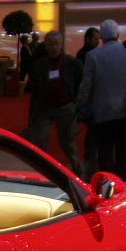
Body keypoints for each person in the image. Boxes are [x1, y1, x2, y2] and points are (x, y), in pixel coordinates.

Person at [76, 19, 126, 180]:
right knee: (124, 148)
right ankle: (124, 180)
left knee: (105, 148)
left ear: (101, 36)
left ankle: (108, 180)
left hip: (102, 110)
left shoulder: (93, 55)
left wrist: (80, 104)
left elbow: (87, 84)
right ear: (118, 34)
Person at [24, 30, 83, 175]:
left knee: (68, 142)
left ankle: (77, 168)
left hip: (66, 107)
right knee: (41, 140)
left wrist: (78, 104)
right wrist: (32, 115)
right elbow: (35, 91)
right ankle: (44, 171)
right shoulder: (39, 66)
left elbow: (80, 82)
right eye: (50, 45)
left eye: (56, 44)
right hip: (46, 107)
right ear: (46, 46)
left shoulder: (72, 63)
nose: (54, 48)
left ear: (61, 45)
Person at [76, 27, 101, 178]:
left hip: (88, 96)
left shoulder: (83, 53)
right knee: (92, 129)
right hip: (91, 97)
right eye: (95, 39)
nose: (97, 41)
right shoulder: (90, 55)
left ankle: (90, 154)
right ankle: (90, 155)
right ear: (88, 39)